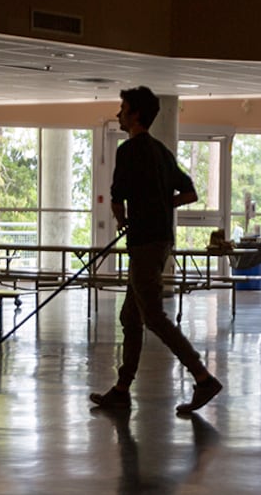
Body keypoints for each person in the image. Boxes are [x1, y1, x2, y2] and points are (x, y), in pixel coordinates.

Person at [90, 86, 223, 414]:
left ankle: (204, 378)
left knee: (153, 316)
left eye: (122, 109)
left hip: (144, 244)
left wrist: (124, 219)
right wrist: (162, 205)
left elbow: (117, 200)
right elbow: (189, 193)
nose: (119, 114)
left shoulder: (128, 151)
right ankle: (121, 390)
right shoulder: (162, 152)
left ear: (135, 114)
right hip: (161, 241)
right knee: (130, 316)